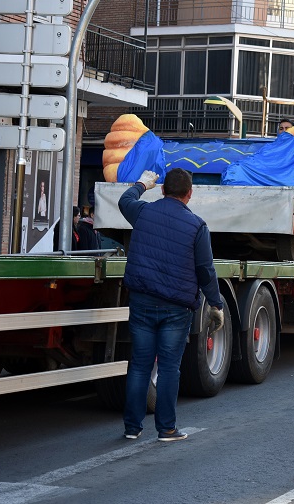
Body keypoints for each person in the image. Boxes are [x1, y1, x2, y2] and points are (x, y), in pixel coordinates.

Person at [119, 168, 224, 442]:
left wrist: (142, 184)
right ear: (189, 194)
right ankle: (166, 429)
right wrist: (216, 303)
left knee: (140, 365)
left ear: (163, 190)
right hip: (176, 308)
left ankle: (132, 427)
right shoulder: (197, 226)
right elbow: (205, 270)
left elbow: (124, 201)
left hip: (142, 300)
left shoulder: (143, 212)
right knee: (168, 368)